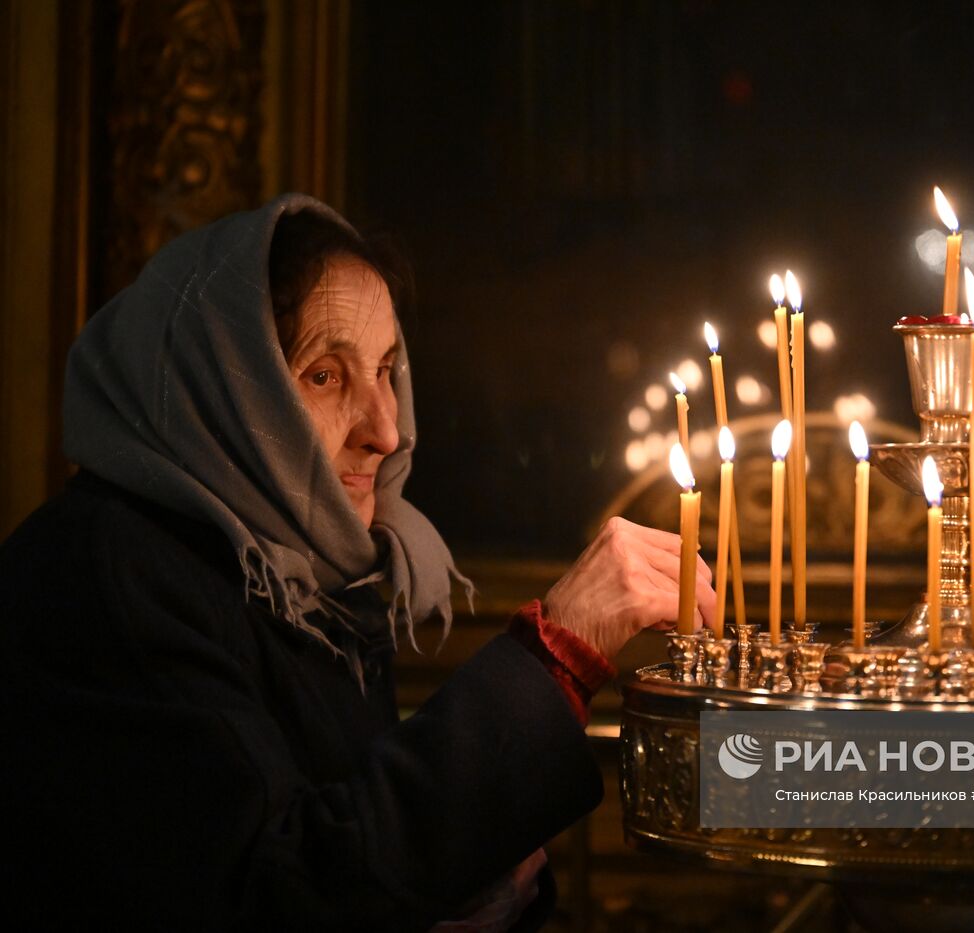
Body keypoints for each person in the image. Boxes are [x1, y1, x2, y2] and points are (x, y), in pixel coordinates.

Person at [0, 194, 715, 931]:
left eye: (384, 369)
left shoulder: (306, 575)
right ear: (221, 391)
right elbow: (277, 900)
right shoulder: (105, 573)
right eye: (324, 375)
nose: (386, 429)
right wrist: (556, 654)